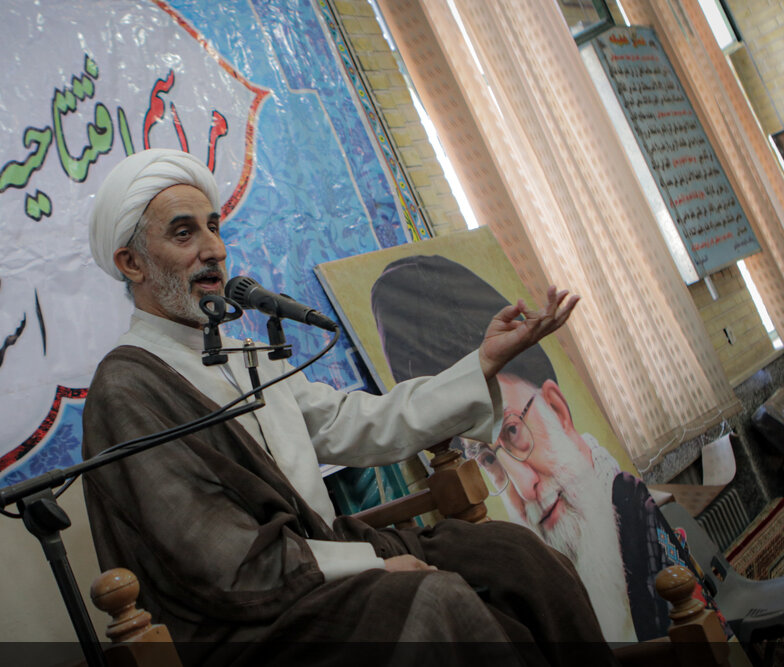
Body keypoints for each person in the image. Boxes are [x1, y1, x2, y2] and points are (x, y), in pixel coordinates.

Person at [81, 148, 617, 666]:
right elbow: (217, 559)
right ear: (132, 263)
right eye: (184, 233)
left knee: (514, 554)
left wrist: (483, 362)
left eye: (214, 227)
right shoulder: (128, 387)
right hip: (245, 619)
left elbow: (357, 423)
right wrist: (373, 564)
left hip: (323, 561)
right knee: (433, 599)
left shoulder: (246, 356)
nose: (214, 249)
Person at [370, 254, 685, 641]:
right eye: (488, 459)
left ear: (557, 409)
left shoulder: (635, 515)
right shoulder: (524, 576)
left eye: (514, 431)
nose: (524, 487)